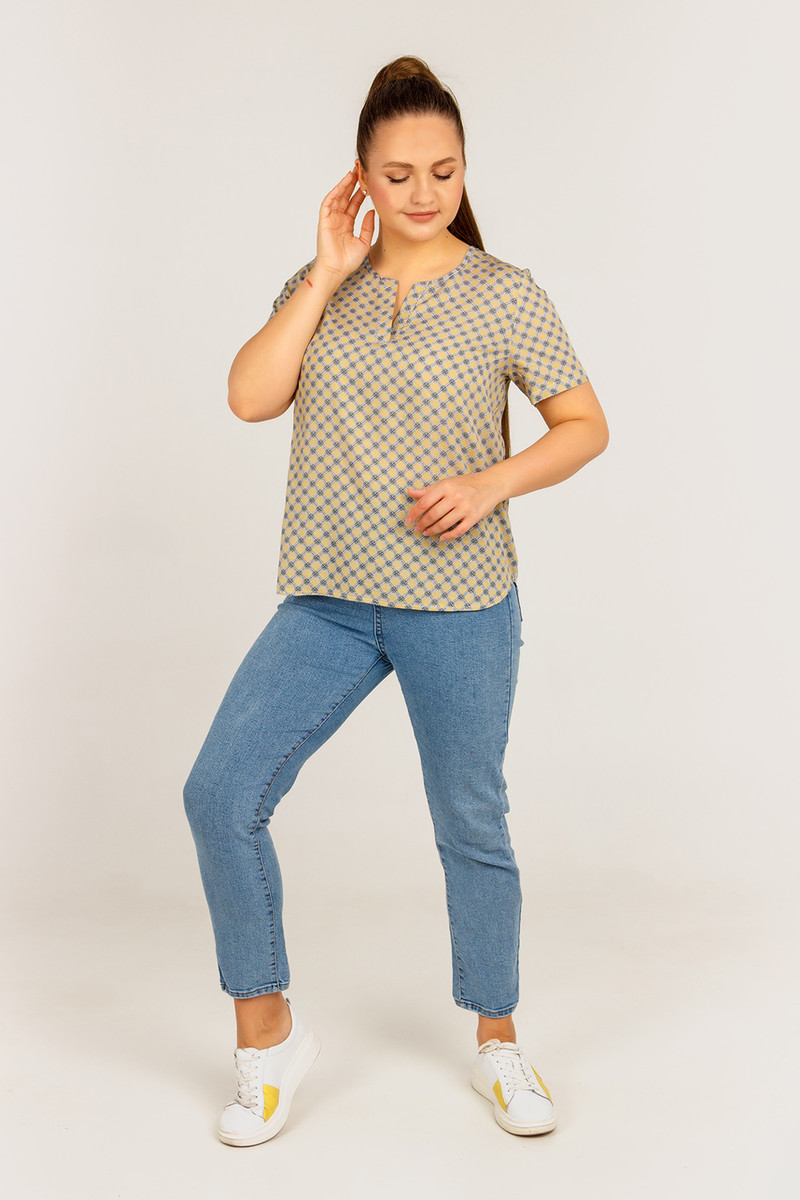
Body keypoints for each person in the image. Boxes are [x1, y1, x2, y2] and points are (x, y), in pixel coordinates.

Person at [183, 54, 609, 1146]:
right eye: (398, 173)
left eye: (443, 171)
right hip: (328, 598)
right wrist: (327, 272)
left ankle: (499, 1041)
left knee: (470, 822)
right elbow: (248, 397)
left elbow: (583, 426)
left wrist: (490, 484)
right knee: (219, 794)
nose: (424, 192)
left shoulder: (505, 292)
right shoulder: (321, 282)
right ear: (360, 177)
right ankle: (267, 1041)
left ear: (465, 168)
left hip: (459, 601)